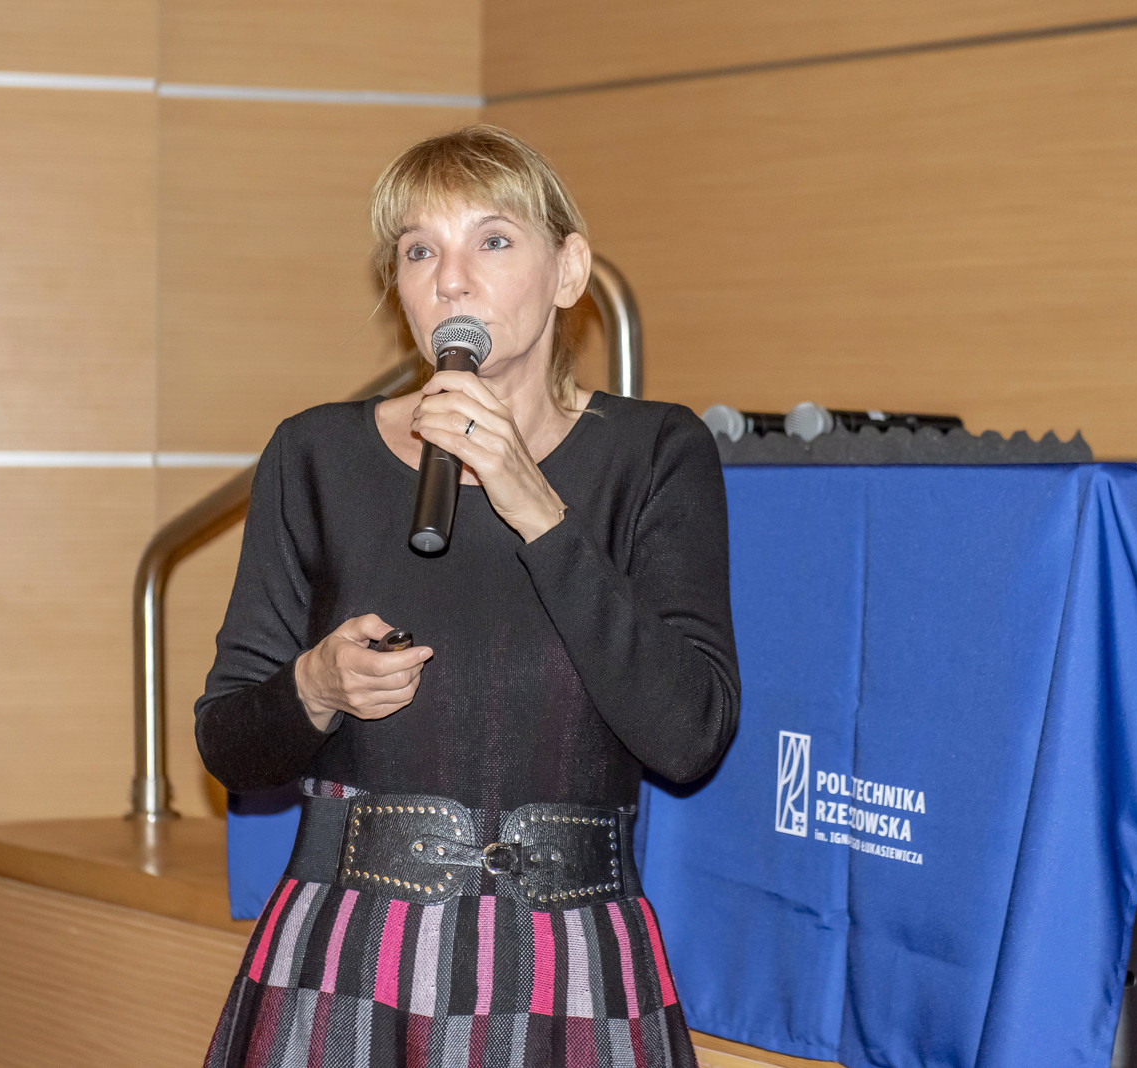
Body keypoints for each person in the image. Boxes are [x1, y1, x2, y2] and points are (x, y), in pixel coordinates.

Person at [196, 124, 740, 1067]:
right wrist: (315, 686)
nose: (451, 280)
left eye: (492, 240)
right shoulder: (315, 454)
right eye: (419, 251)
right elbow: (229, 747)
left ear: (568, 271)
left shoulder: (654, 453)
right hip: (349, 954)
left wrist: (537, 509)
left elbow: (690, 737)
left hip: (568, 962)